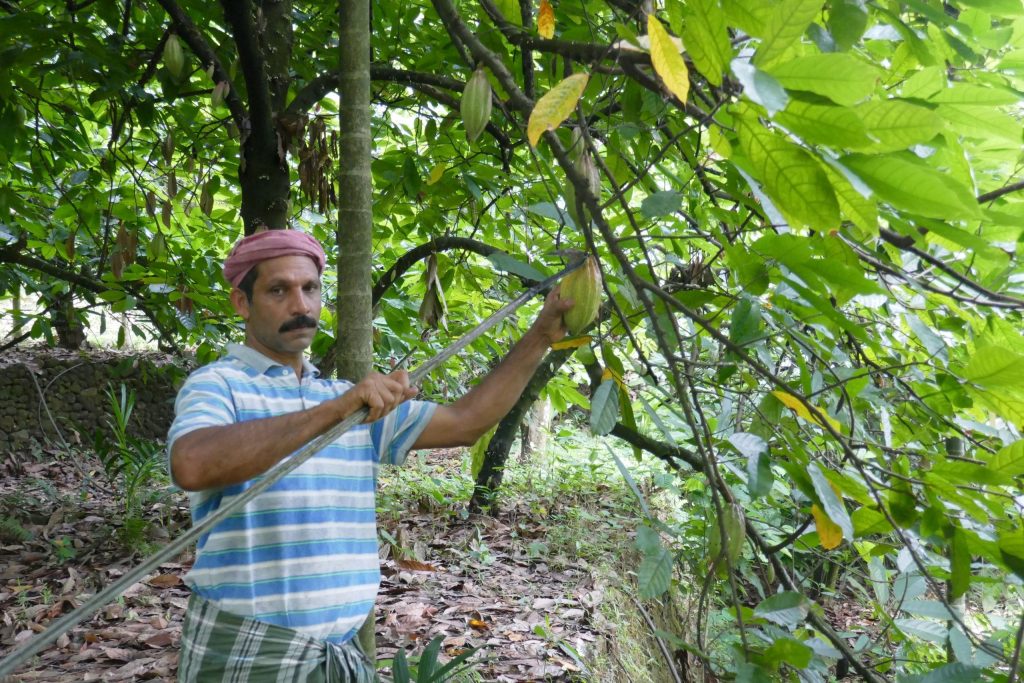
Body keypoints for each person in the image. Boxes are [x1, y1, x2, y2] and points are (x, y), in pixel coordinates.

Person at [167, 229, 572, 682]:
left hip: (336, 653)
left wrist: (542, 334)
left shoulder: (349, 402)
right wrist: (336, 410)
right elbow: (193, 464)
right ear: (242, 303)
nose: (300, 306)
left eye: (310, 288)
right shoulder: (218, 385)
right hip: (246, 654)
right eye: (278, 290)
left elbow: (467, 421)